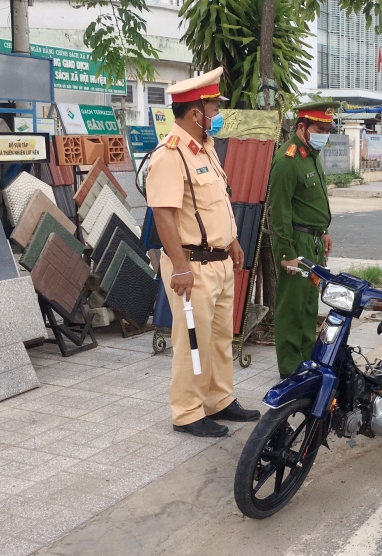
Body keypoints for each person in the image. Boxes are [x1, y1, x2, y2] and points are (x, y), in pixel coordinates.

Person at [146, 67, 260, 437]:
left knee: (219, 338)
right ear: (196, 114)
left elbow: (217, 206)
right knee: (192, 340)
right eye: (214, 107)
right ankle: (188, 412)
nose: (218, 114)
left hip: (219, 262)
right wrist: (179, 267)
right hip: (191, 267)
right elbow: (162, 215)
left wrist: (233, 242)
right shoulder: (170, 155)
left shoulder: (206, 149)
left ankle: (219, 400)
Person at [268, 101, 339, 378]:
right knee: (291, 307)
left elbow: (309, 201)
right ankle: (290, 367)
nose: (324, 134)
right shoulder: (287, 160)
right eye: (320, 128)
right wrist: (285, 252)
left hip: (313, 242)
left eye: (327, 129)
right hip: (295, 242)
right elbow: (281, 210)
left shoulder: (310, 154)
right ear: (301, 127)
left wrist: (323, 231)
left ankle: (306, 360)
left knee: (309, 305)